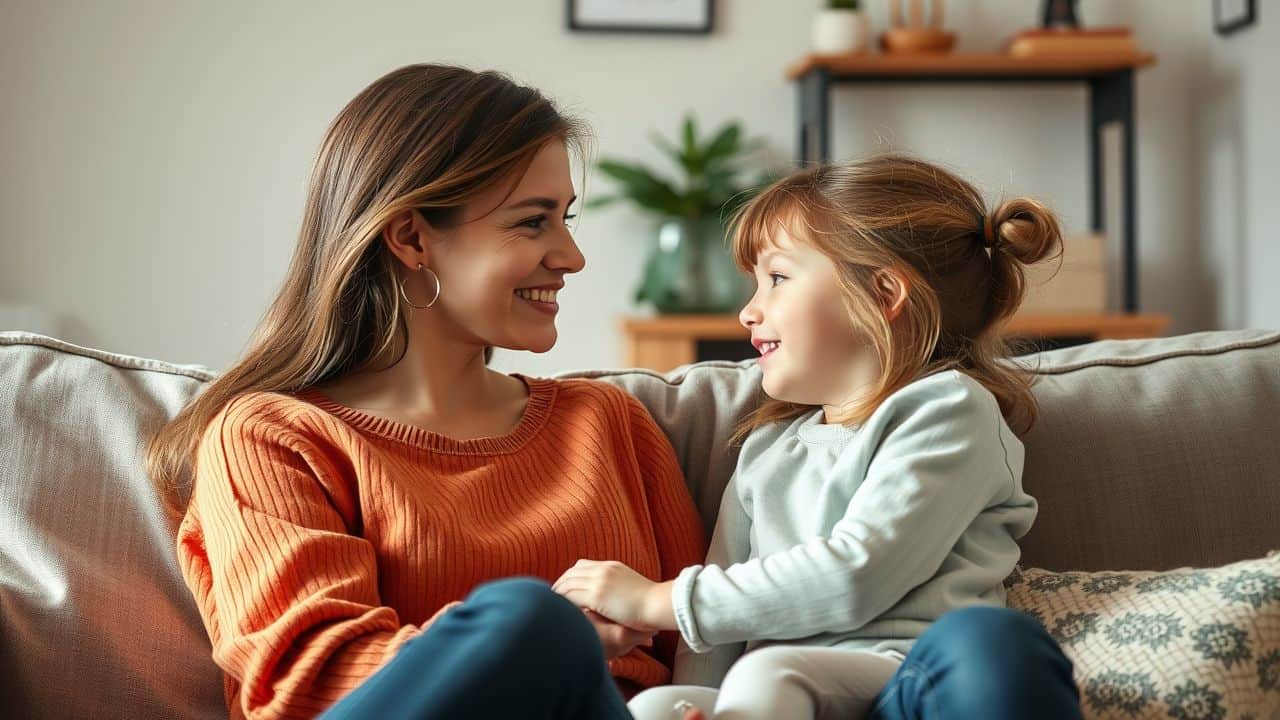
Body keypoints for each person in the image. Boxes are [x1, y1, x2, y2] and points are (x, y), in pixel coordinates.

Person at [146, 63, 707, 720]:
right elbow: (305, 683)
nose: (571, 256)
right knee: (530, 620)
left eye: (566, 219)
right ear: (412, 237)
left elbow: (707, 635)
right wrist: (547, 644)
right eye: (534, 222)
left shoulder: (611, 424)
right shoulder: (271, 438)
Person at [553, 155, 1084, 720]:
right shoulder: (766, 449)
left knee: (991, 643)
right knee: (662, 705)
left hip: (905, 684)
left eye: (777, 278)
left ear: (883, 294)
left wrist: (657, 600)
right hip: (779, 698)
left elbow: (859, 574)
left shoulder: (948, 410)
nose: (748, 312)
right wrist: (693, 696)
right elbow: (713, 636)